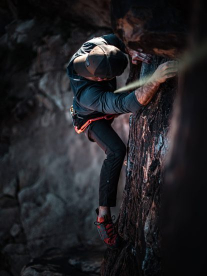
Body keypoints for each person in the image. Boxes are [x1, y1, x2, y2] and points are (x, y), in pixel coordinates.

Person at [66, 33, 178, 249]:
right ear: (100, 79)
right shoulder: (88, 95)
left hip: (104, 99)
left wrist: (129, 50)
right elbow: (129, 104)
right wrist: (155, 79)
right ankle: (103, 217)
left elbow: (115, 38)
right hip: (90, 118)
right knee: (116, 151)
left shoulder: (92, 47)